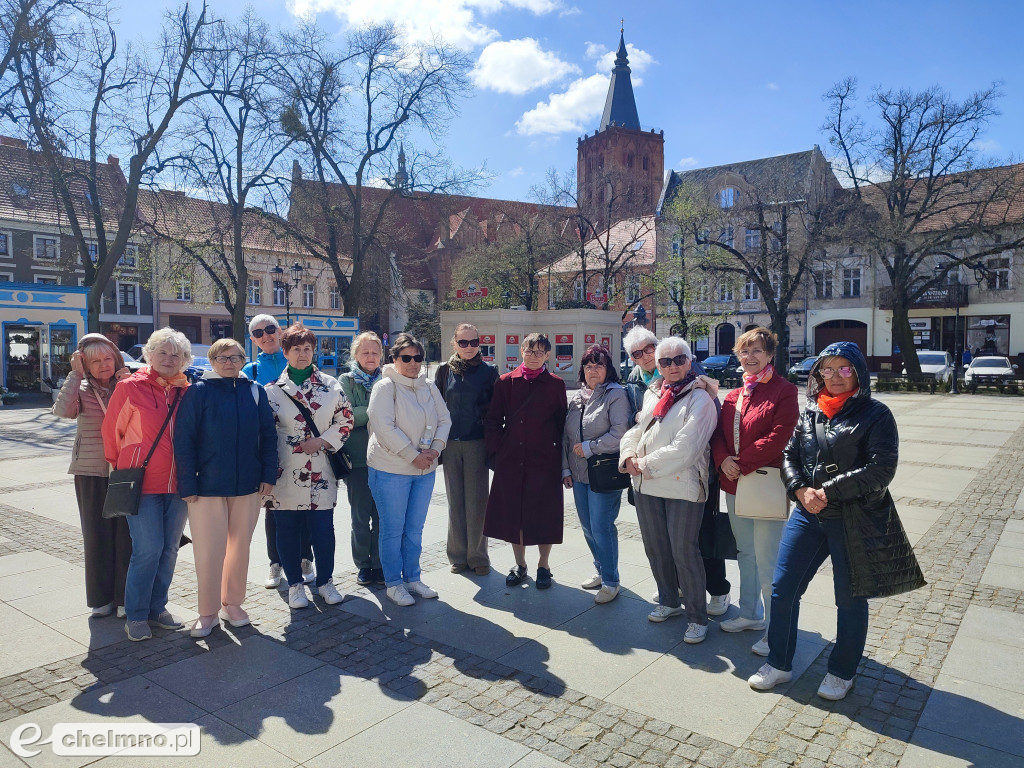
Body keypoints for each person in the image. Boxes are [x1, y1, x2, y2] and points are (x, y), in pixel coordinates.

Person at [748, 341, 922, 700]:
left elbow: (881, 468)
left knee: (850, 597)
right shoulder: (810, 411)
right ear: (818, 374)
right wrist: (799, 490)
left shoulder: (876, 414)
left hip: (853, 518)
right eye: (828, 369)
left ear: (858, 371)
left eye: (845, 369)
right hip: (808, 515)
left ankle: (842, 671)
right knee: (783, 590)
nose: (836, 376)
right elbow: (789, 455)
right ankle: (779, 663)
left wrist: (827, 491)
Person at [622, 326, 732, 617]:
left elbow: (687, 447)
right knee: (656, 549)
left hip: (683, 485)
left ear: (690, 360)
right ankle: (669, 601)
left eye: (678, 359)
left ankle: (698, 616)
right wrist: (627, 455)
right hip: (647, 485)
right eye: (665, 361)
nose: (672, 366)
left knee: (686, 552)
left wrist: (642, 465)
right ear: (658, 366)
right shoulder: (653, 392)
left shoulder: (700, 396)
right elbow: (637, 429)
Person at [174, 338, 278, 637]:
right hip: (206, 487)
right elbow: (184, 441)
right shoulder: (198, 392)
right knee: (209, 551)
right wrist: (188, 483)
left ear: (244, 360)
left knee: (239, 549)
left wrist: (268, 475)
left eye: (236, 357)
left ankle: (232, 603)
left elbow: (268, 437)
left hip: (247, 485)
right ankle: (207, 613)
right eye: (222, 357)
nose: (230, 362)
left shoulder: (255, 392)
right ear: (212, 360)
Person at [711, 328, 799, 656]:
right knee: (745, 552)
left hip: (764, 484)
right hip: (735, 484)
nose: (750, 357)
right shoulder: (735, 396)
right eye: (745, 352)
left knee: (768, 560)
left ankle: (775, 629)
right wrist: (723, 461)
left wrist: (741, 461)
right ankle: (749, 613)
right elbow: (718, 435)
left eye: (757, 351)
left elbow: (780, 436)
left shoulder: (784, 391)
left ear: (770, 354)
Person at [103, 328, 193, 642]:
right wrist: (123, 469)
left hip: (179, 485)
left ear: (185, 359)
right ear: (150, 355)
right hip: (141, 483)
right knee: (147, 550)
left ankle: (158, 608)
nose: (170, 359)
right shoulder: (130, 388)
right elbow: (111, 434)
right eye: (163, 353)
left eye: (177, 354)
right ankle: (137, 613)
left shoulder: (188, 390)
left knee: (169, 549)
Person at [265, 324, 353, 610]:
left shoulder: (331, 386)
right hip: (285, 473)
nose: (303, 354)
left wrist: (324, 441)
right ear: (286, 352)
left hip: (321, 472)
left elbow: (346, 421)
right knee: (287, 530)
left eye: (307, 349)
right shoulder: (273, 392)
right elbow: (265, 433)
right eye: (296, 349)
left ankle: (325, 581)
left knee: (323, 530)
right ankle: (294, 585)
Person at [366, 333, 452, 606]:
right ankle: (393, 583)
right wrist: (412, 454)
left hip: (424, 470)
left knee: (414, 528)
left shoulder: (428, 386)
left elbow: (444, 419)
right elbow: (383, 426)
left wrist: (436, 449)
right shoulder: (385, 387)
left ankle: (413, 578)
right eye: (407, 358)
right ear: (395, 359)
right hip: (391, 469)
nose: (413, 363)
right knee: (393, 528)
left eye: (418, 358)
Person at [52, 333, 132, 618]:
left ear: (117, 358)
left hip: (125, 470)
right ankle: (101, 598)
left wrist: (128, 384)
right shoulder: (81, 387)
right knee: (96, 536)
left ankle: (124, 598)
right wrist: (74, 376)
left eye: (107, 358)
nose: (103, 365)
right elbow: (63, 411)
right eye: (94, 361)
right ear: (83, 363)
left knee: (126, 536)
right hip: (91, 470)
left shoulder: (128, 383)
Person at [484, 333, 567, 590]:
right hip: (511, 460)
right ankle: (519, 564)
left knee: (545, 515)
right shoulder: (505, 382)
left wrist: (557, 458)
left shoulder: (555, 384)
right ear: (521, 351)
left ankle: (544, 565)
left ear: (548, 355)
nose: (533, 356)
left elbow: (562, 423)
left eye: (539, 352)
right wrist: (499, 450)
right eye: (529, 351)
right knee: (514, 515)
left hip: (544, 461)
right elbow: (493, 421)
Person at [242, 314, 315, 590]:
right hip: (270, 450)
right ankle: (276, 563)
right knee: (273, 510)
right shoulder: (251, 371)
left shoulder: (297, 359)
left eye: (270, 329)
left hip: (303, 448)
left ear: (279, 330)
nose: (266, 335)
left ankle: (305, 558)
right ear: (253, 339)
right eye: (259, 333)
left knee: (306, 505)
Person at [562, 345, 631, 604]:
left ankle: (612, 581)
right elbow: (567, 436)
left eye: (598, 365)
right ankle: (602, 570)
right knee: (588, 527)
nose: (593, 371)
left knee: (602, 526)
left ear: (608, 369)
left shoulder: (616, 395)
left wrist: (591, 447)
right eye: (588, 366)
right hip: (579, 474)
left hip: (604, 474)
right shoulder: (577, 398)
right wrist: (565, 468)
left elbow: (620, 433)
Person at [435, 323, 500, 577]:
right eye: (463, 343)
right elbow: (438, 407)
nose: (469, 347)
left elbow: (496, 410)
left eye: (474, 342)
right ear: (454, 344)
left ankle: (478, 556)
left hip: (476, 442)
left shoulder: (489, 372)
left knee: (477, 502)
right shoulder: (443, 372)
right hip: (450, 443)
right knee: (455, 501)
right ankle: (458, 555)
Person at [338, 331, 386, 586]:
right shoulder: (346, 381)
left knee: (382, 517)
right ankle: (363, 565)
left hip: (387, 460)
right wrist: (378, 412)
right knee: (360, 516)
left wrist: (364, 413)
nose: (370, 357)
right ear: (356, 355)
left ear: (381, 356)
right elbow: (347, 417)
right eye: (365, 352)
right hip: (357, 460)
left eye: (375, 352)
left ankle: (379, 564)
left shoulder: (390, 378)